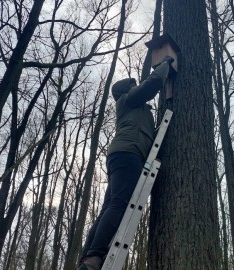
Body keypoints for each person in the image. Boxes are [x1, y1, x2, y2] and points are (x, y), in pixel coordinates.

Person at [78, 56, 174, 270]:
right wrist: (165, 65)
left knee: (108, 208)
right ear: (127, 90)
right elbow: (152, 84)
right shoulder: (128, 99)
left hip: (121, 155)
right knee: (119, 205)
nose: (136, 87)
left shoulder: (135, 109)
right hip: (128, 154)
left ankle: (87, 259)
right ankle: (94, 258)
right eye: (133, 85)